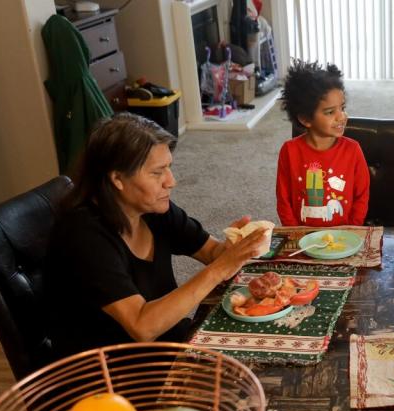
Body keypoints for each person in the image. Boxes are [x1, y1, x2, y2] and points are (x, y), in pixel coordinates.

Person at [45, 112, 267, 358]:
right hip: (112, 372)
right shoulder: (83, 235)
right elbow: (142, 327)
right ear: (117, 178)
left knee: (261, 339)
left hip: (166, 342)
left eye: (169, 168)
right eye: (157, 172)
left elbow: (212, 252)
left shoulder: (152, 208)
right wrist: (219, 269)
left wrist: (233, 246)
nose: (170, 181)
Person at [276, 60, 370, 227]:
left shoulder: (353, 150)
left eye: (342, 108)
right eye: (330, 112)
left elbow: (361, 195)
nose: (341, 116)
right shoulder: (289, 151)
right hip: (302, 240)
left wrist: (353, 228)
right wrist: (294, 233)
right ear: (305, 119)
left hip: (343, 239)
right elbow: (283, 200)